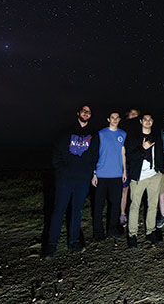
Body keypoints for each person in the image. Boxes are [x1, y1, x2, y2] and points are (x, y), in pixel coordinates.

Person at [43, 105, 99, 259]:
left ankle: (73, 241)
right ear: (78, 113)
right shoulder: (65, 133)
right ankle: (51, 245)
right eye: (83, 110)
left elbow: (95, 155)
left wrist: (92, 172)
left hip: (82, 179)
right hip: (65, 179)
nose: (86, 113)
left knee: (77, 210)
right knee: (58, 211)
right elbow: (56, 154)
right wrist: (62, 170)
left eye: (89, 111)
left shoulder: (93, 134)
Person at [125, 113, 164, 247]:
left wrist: (160, 170)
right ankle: (132, 234)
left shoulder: (156, 136)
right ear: (141, 121)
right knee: (135, 205)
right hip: (139, 176)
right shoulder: (133, 137)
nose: (148, 122)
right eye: (145, 119)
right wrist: (143, 149)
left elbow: (159, 152)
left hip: (154, 175)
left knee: (153, 204)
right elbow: (130, 156)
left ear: (152, 122)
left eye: (150, 119)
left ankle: (150, 231)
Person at [92, 111, 127, 240]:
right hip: (101, 174)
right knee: (99, 205)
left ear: (119, 120)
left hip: (116, 175)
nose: (115, 119)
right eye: (112, 117)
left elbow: (123, 153)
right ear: (108, 119)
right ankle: (98, 232)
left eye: (117, 118)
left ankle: (112, 229)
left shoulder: (123, 134)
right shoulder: (101, 134)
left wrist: (124, 171)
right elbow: (95, 153)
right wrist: (94, 173)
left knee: (115, 204)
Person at [118, 108, 140, 227]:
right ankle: (122, 214)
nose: (134, 116)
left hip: (137, 162)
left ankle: (134, 213)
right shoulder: (123, 129)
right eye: (132, 114)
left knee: (136, 189)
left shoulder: (141, 129)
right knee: (124, 189)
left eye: (136, 114)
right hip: (125, 162)